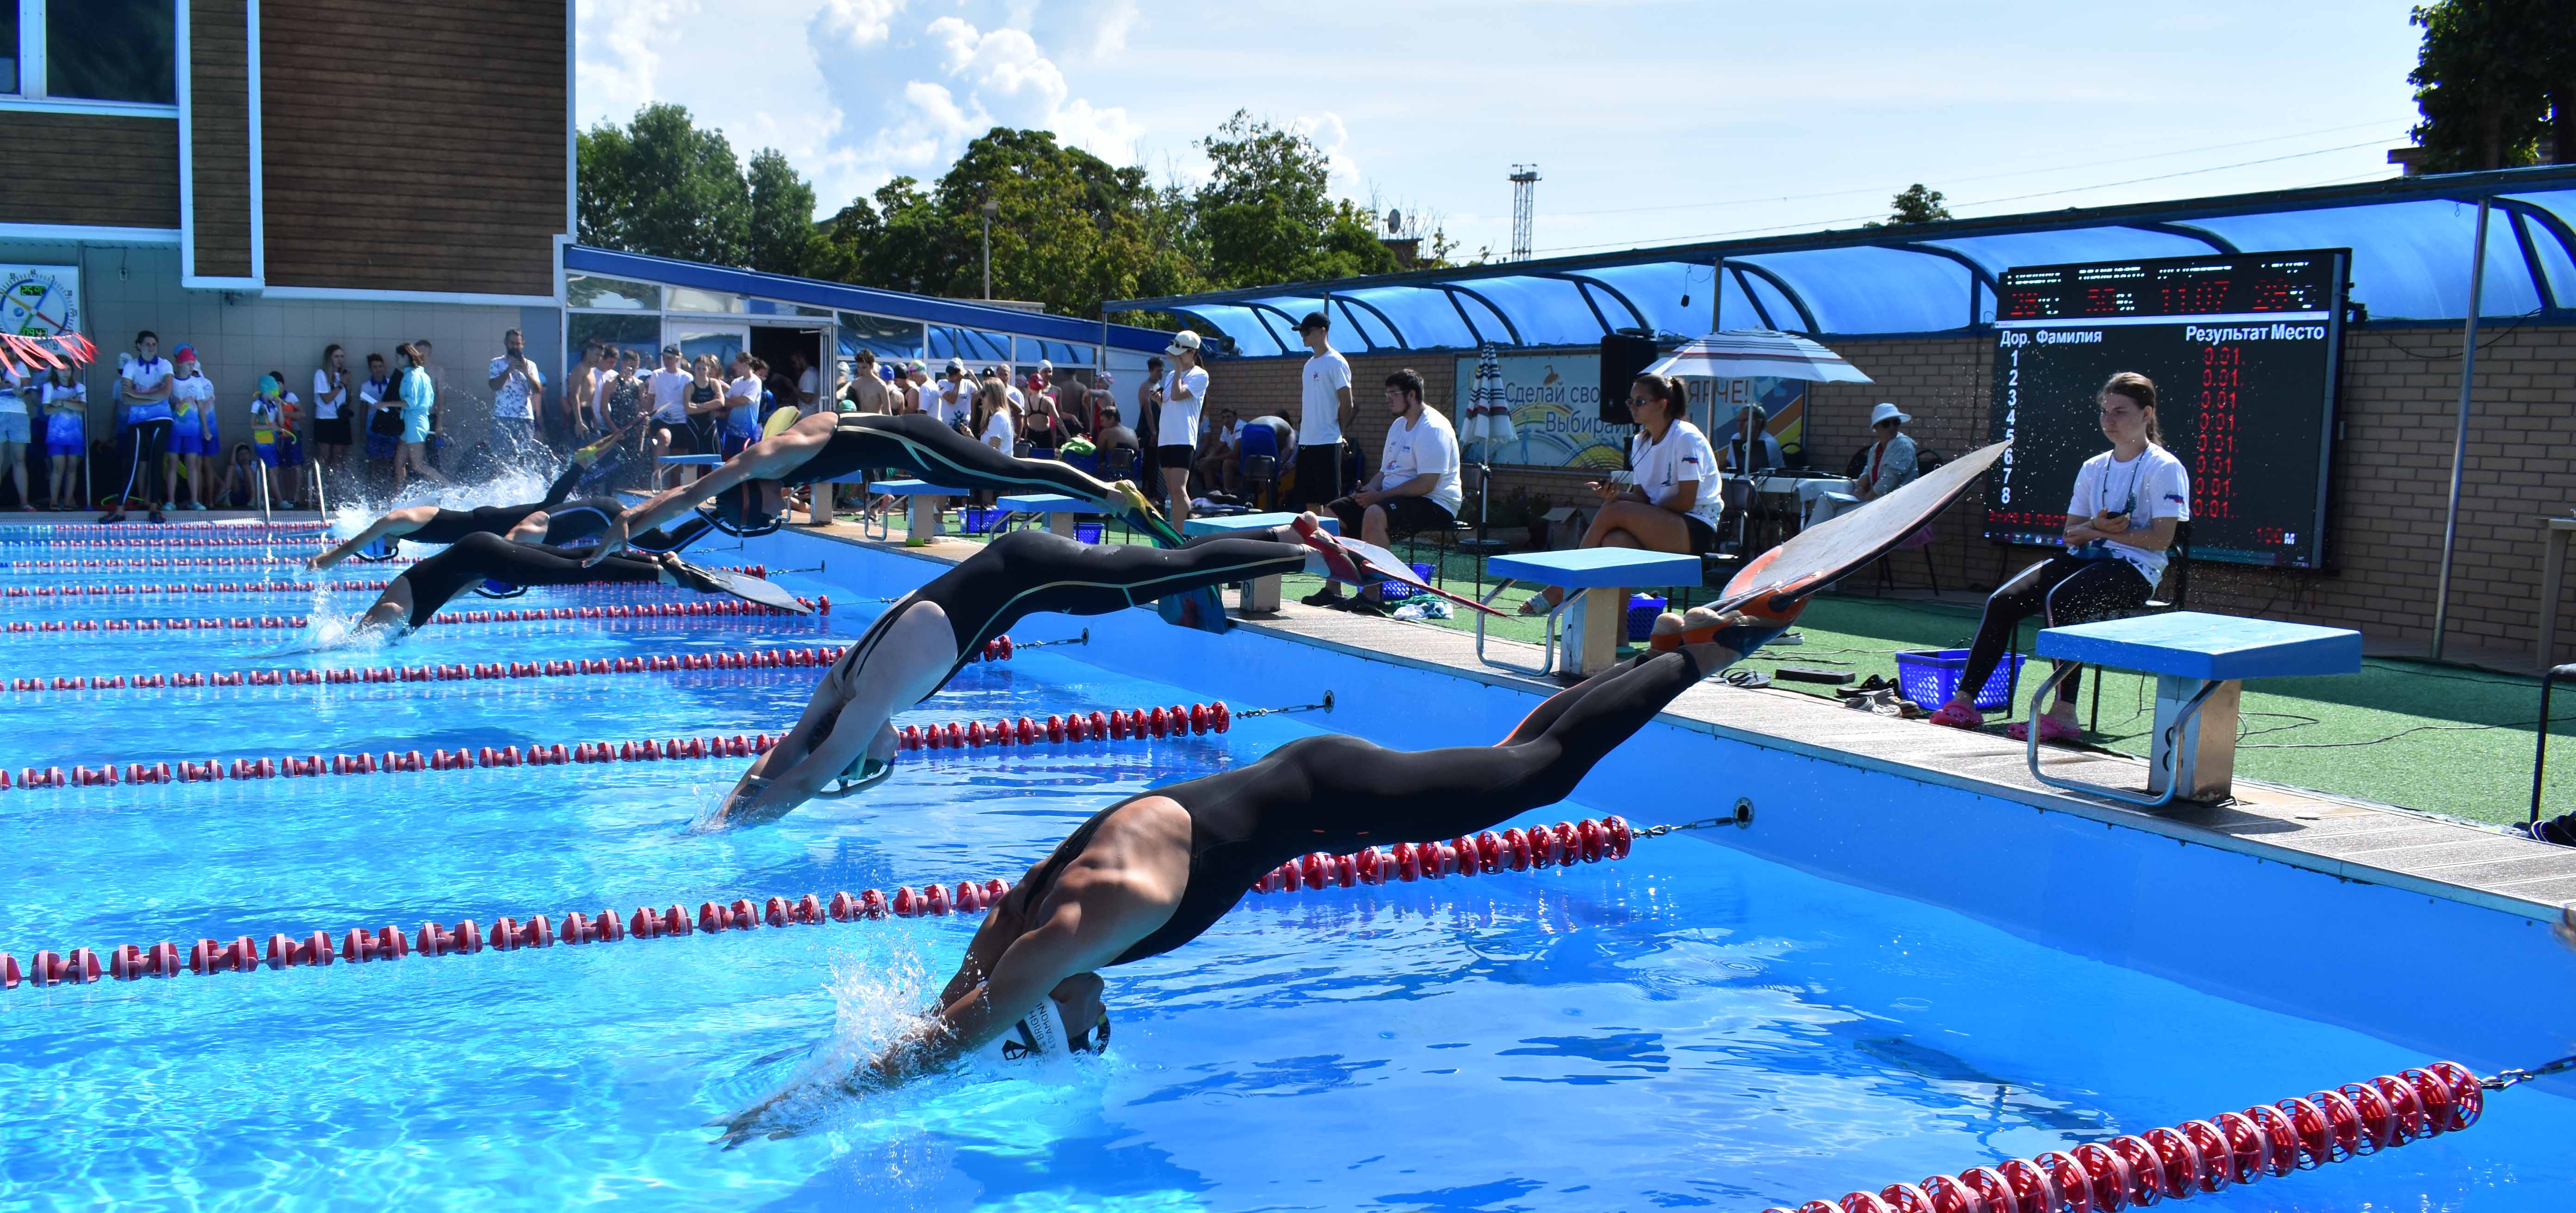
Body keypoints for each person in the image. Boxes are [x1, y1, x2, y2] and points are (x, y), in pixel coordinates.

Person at [712, 601, 1791, 1138]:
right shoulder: (1013, 928)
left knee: (1536, 780)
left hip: (1322, 795)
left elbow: (955, 1038)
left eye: (1084, 1022)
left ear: (1056, 1003)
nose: (1100, 1015)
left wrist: (802, 1111)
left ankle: (1695, 651)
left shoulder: (1083, 927)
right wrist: (815, 1083)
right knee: (1512, 765)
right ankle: (1661, 653)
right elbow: (955, 1004)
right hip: (1294, 786)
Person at [706, 519, 1399, 828]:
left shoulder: (868, 699)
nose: (885, 756)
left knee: (1159, 573)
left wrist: (738, 833)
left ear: (852, 745)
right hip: (1021, 573)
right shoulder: (841, 682)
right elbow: (787, 753)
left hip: (1032, 574)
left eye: (863, 765)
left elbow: (805, 773)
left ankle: (1305, 553)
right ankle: (1286, 541)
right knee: (1157, 572)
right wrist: (727, 812)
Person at [1929, 372, 2188, 740]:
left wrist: (2097, 530)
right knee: (2003, 601)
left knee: (2062, 600)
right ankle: (1964, 703)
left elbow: (2161, 539)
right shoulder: (2094, 467)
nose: (2109, 420)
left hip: (2134, 570)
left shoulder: (2164, 467)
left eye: (2120, 412)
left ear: (2147, 414)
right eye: (2105, 411)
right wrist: (2098, 530)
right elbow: (2070, 534)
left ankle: (2065, 714)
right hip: (2086, 558)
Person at [584, 410, 1183, 565]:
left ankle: (1116, 496)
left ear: (756, 492)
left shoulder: (768, 458)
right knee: (1010, 478)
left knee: (1014, 475)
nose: (781, 508)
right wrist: (639, 529)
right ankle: (1113, 498)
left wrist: (627, 526)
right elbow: (699, 502)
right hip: (913, 447)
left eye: (769, 511)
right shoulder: (766, 468)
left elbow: (693, 494)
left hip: (917, 443)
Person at [1518, 374, 1724, 616]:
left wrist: (1626, 508)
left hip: (1694, 528)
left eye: (1640, 402)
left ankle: (1561, 587)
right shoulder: (1640, 441)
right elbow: (1642, 497)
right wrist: (1615, 496)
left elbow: (1685, 501)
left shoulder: (1686, 437)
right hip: (1665, 524)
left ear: (1662, 404)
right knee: (1614, 542)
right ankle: (1618, 635)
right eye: (1630, 402)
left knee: (1616, 511)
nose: (1632, 408)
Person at [308, 430, 639, 568]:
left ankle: (581, 466)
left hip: (493, 523)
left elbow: (367, 534)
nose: (384, 547)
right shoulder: (413, 532)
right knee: (550, 510)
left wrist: (327, 559)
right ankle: (582, 466)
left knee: (547, 508)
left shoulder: (402, 522)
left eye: (382, 547)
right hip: (492, 525)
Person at [1305, 368, 1461, 615]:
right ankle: (1333, 588)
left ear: (1412, 395)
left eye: (1394, 394)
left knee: (1375, 513)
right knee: (1331, 514)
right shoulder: (1398, 426)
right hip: (1392, 498)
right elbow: (1385, 474)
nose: (1388, 399)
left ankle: (1371, 596)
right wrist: (1367, 490)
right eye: (1387, 394)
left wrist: (1379, 498)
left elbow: (1427, 484)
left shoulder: (1434, 428)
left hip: (1435, 503)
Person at [106, 329, 176, 523]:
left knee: (156, 461)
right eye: (147, 344)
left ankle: (154, 507)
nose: (151, 347)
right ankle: (120, 509)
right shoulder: (131, 366)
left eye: (154, 344)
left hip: (162, 419)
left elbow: (166, 393)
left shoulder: (164, 364)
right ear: (139, 346)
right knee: (132, 462)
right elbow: (126, 397)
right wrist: (153, 395)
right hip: (137, 421)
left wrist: (138, 395)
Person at [1294, 311, 1355, 511]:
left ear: (1322, 332)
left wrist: (1339, 432)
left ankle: (1331, 543)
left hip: (1328, 442)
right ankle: (1314, 541)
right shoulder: (1309, 365)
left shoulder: (1336, 361)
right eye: (1301, 332)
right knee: (1310, 500)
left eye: (1306, 331)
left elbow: (1348, 403)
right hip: (1306, 442)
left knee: (1330, 502)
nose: (1303, 336)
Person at [1156, 333, 1208, 528]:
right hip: (1166, 439)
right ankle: (1179, 536)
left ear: (1192, 352)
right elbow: (1171, 406)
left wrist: (1178, 369)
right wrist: (1159, 402)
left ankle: (1189, 534)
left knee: (1179, 490)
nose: (1175, 358)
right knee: (1172, 491)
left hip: (1183, 439)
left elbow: (1178, 396)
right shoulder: (1171, 376)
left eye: (1180, 354)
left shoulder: (1200, 375)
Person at [393, 342, 447, 495]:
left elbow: (412, 402)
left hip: (417, 423)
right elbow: (427, 400)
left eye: (398, 357)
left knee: (418, 465)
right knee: (399, 463)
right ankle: (398, 499)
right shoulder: (420, 373)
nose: (397, 360)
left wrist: (385, 403)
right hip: (414, 421)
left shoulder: (414, 376)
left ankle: (449, 487)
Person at [167, 347, 217, 509]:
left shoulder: (196, 383)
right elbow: (164, 401)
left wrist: (206, 429)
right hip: (173, 429)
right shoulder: (170, 382)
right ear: (180, 364)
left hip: (193, 430)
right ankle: (171, 501)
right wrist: (173, 401)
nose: (191, 367)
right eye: (189, 364)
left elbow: (201, 408)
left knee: (192, 465)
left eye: (192, 364)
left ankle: (195, 501)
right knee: (172, 464)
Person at [487, 328, 545, 465]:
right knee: (501, 459)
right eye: (512, 343)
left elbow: (537, 390)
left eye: (518, 344)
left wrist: (526, 372)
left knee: (523, 458)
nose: (515, 347)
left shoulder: (531, 365)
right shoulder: (496, 363)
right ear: (506, 343)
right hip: (502, 417)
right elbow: (494, 387)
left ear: (523, 344)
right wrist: (509, 370)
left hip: (524, 418)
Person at [248, 371, 306, 508]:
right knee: (273, 470)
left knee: (274, 471)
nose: (276, 394)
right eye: (274, 391)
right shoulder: (257, 405)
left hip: (273, 442)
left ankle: (265, 498)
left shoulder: (274, 405)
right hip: (263, 443)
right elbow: (253, 425)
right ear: (267, 391)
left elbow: (280, 423)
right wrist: (270, 426)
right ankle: (279, 501)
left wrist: (279, 406)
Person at [645, 345, 696, 485]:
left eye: (669, 358)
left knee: (677, 462)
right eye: (664, 358)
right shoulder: (656, 374)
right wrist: (645, 417)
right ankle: (657, 478)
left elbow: (689, 402)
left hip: (681, 421)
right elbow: (651, 398)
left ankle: (674, 490)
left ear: (678, 359)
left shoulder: (687, 377)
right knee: (664, 437)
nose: (666, 361)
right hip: (660, 418)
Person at [40, 363, 85, 510]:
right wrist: (71, 403)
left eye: (68, 370)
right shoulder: (49, 387)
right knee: (58, 467)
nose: (66, 373)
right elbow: (47, 410)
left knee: (72, 466)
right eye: (62, 370)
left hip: (75, 433)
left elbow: (82, 407)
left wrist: (61, 403)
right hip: (56, 433)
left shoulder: (79, 387)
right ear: (56, 371)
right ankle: (53, 501)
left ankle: (68, 502)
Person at [310, 343, 352, 483]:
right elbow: (326, 399)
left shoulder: (342, 375)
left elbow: (347, 401)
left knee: (338, 456)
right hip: (325, 420)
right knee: (324, 456)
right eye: (336, 357)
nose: (339, 360)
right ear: (329, 358)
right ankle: (319, 490)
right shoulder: (321, 374)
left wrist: (347, 385)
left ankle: (338, 491)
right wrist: (341, 385)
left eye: (342, 356)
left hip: (341, 419)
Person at [357, 353, 402, 480]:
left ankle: (387, 487)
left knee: (388, 459)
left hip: (389, 428)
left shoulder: (391, 384)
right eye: (375, 367)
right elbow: (363, 409)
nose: (378, 369)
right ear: (370, 369)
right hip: (372, 428)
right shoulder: (365, 386)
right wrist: (362, 432)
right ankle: (373, 486)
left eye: (381, 366)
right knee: (374, 459)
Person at [0, 366, 29, 510]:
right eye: (3, 349)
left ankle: (24, 502)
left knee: (19, 460)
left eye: (9, 350)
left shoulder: (20, 366)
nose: (7, 353)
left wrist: (21, 392)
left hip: (19, 414)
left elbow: (28, 390)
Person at [211, 442, 259, 510]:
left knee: (246, 467)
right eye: (241, 454)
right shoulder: (236, 465)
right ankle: (224, 493)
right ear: (237, 456)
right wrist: (235, 448)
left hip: (250, 494)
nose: (244, 456)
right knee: (231, 467)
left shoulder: (255, 465)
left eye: (247, 454)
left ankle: (254, 498)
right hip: (237, 494)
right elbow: (232, 463)